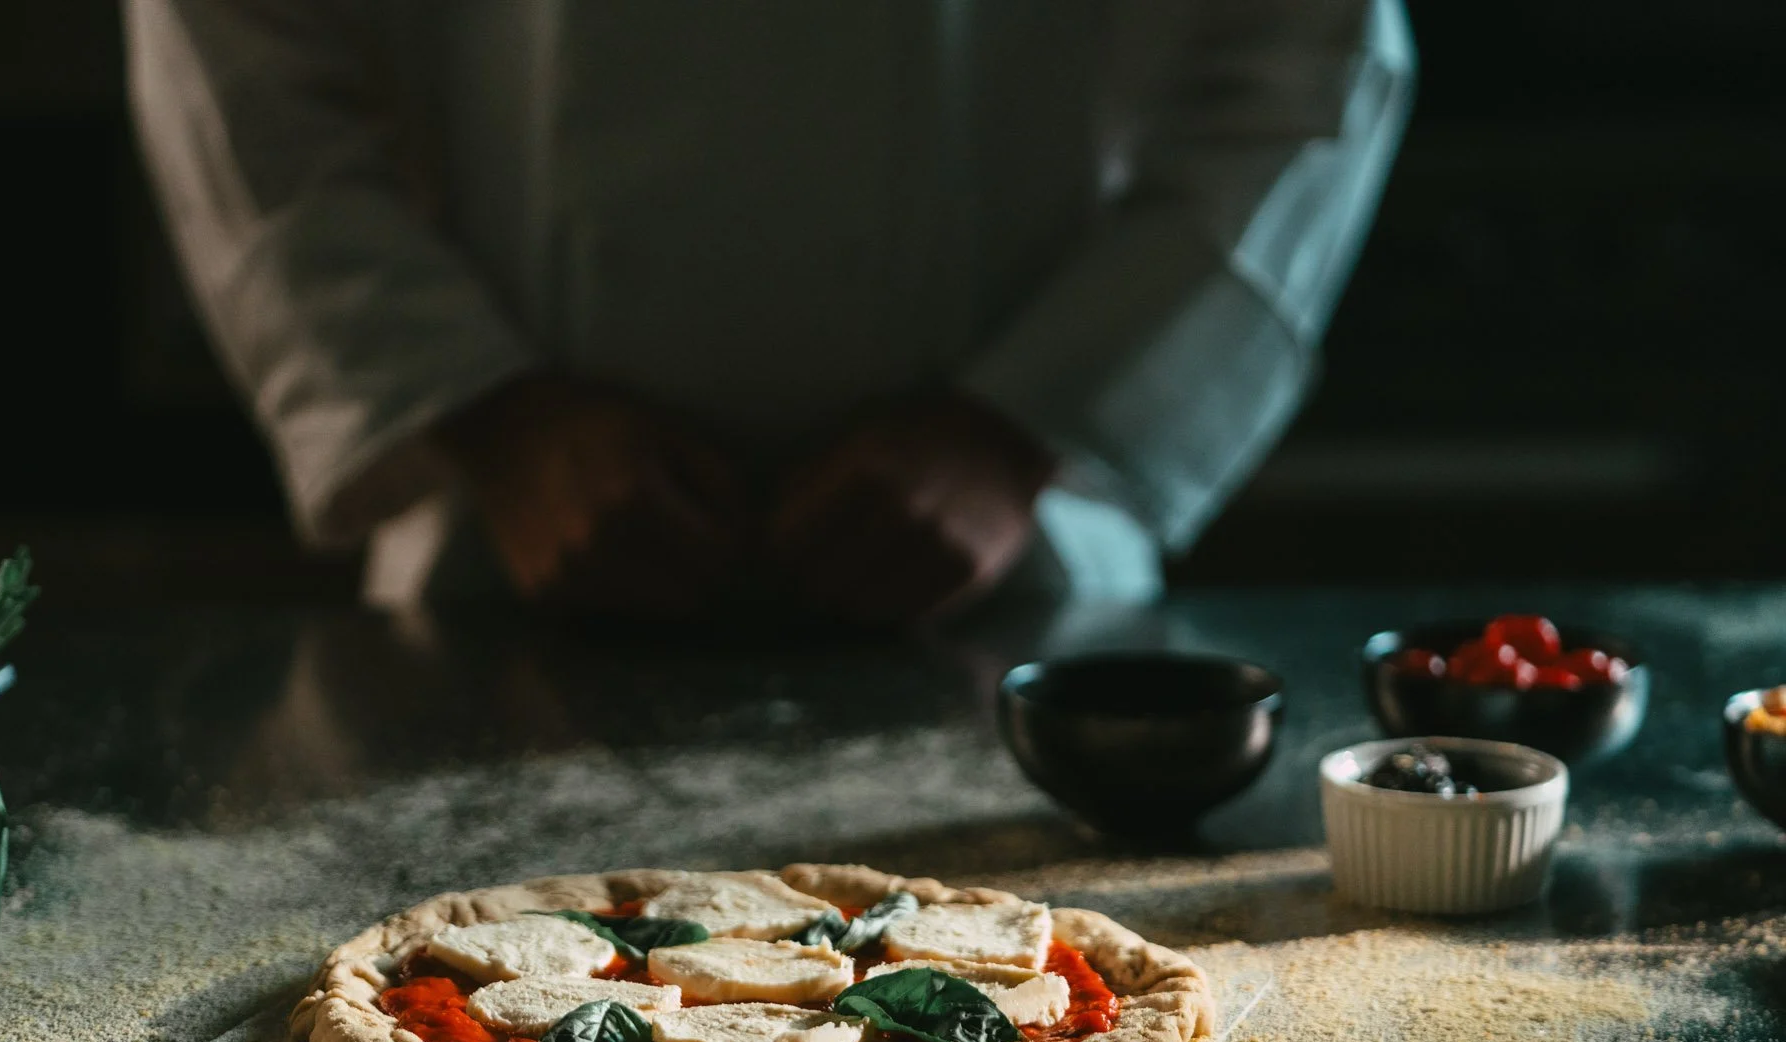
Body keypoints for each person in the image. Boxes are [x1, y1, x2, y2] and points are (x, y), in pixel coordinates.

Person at [126, 0, 1413, 624]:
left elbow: (1313, 51)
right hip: (510, 575)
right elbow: (235, 51)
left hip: (998, 582)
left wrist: (1026, 423)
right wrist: (490, 414)